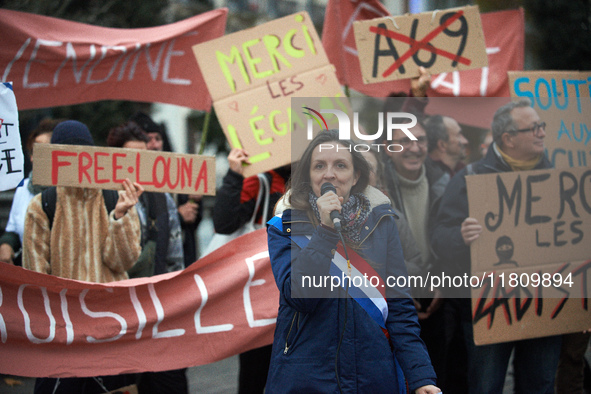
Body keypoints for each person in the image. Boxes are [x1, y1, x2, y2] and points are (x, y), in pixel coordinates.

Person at [266, 129, 440, 393]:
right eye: (319, 166)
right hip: (308, 377)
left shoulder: (382, 222)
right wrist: (325, 233)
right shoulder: (285, 226)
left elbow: (399, 307)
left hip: (372, 375)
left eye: (340, 165)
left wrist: (421, 377)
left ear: (356, 175)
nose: (329, 174)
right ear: (308, 175)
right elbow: (300, 297)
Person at [430, 99, 562, 393]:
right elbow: (439, 235)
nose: (542, 133)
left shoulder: (559, 182)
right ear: (508, 139)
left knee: (539, 385)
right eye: (534, 128)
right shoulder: (470, 178)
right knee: (485, 387)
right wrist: (460, 236)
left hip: (545, 304)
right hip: (487, 308)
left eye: (542, 126)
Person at [22, 120, 143, 393]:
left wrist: (121, 216)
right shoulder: (41, 206)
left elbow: (124, 262)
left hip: (111, 334)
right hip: (64, 339)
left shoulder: (116, 198)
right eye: (67, 152)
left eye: (83, 151)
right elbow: (35, 279)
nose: (76, 159)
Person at [106, 121, 188, 393]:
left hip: (159, 313)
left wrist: (176, 300)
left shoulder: (160, 197)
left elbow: (175, 254)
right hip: (118, 318)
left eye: (143, 157)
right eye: (130, 157)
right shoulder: (102, 198)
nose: (137, 164)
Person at [212, 147, 290, 393]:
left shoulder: (319, 178)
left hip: (301, 302)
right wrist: (234, 175)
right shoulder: (260, 180)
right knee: (257, 376)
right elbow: (224, 223)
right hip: (260, 306)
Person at [381, 115, 447, 384]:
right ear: (388, 147)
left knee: (436, 377)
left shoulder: (444, 182)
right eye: (404, 141)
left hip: (438, 296)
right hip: (393, 299)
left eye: (420, 139)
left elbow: (451, 240)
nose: (414, 147)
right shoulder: (376, 188)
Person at [129, 111, 202, 267]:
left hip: (182, 263)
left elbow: (194, 222)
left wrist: (195, 202)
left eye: (158, 138)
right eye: (149, 139)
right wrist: (177, 217)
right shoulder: (131, 181)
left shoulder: (178, 175)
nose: (155, 144)